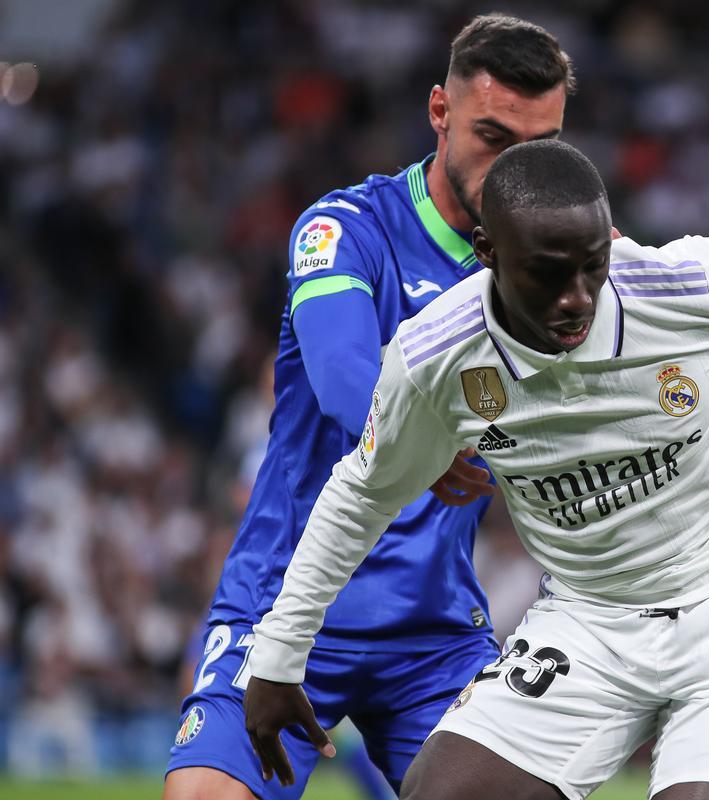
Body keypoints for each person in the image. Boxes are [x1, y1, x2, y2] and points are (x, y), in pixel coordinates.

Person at [243, 140, 709, 800]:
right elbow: (360, 496)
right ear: (487, 251)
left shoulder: (684, 288)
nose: (577, 299)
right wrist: (279, 657)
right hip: (589, 621)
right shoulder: (438, 357)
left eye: (591, 268)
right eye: (549, 273)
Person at [163, 15, 575, 800]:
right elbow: (345, 371)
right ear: (439, 112)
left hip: (433, 635)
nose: (515, 170)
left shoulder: (556, 268)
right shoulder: (343, 229)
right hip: (285, 607)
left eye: (538, 149)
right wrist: (425, 446)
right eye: (492, 136)